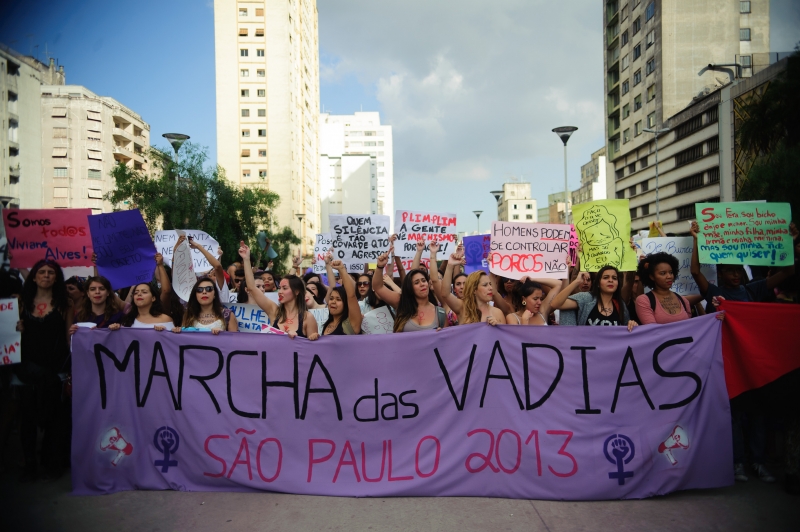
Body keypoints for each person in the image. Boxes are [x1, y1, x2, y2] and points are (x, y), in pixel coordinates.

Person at [15, 260, 72, 481]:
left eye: (51, 273)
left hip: (54, 367)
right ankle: (30, 463)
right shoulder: (21, 302)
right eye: (42, 272)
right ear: (34, 276)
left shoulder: (64, 304)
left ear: (56, 277)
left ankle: (51, 462)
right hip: (27, 367)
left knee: (54, 417)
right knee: (27, 417)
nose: (46, 276)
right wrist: (15, 327)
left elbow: (68, 337)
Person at [239, 242, 319, 339]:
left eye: (284, 288)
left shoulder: (308, 317)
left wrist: (307, 339)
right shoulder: (274, 311)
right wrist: (246, 259)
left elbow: (313, 350)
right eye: (279, 288)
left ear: (297, 292)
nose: (280, 292)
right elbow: (251, 287)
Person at [372, 247, 447, 332]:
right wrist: (379, 267)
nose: (422, 284)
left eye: (423, 280)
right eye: (416, 282)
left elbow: (446, 342)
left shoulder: (440, 313)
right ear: (410, 287)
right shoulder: (402, 302)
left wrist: (441, 335)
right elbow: (378, 287)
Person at [431, 243, 504, 326]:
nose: (490, 288)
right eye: (485, 285)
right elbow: (445, 294)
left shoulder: (498, 313)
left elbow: (504, 338)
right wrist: (450, 265)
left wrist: (498, 327)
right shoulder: (462, 307)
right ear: (474, 290)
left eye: (490, 284)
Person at [551, 266, 637, 331]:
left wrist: (632, 324)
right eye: (606, 277)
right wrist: (576, 281)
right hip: (587, 352)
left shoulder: (620, 305)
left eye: (614, 278)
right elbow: (555, 304)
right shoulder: (587, 298)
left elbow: (627, 331)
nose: (611, 280)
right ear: (598, 283)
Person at [635, 252, 702, 324]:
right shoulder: (644, 301)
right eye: (663, 273)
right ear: (651, 276)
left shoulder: (683, 301)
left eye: (671, 272)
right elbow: (652, 331)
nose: (669, 276)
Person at [321, 260, 363, 335]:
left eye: (338, 299)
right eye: (331, 298)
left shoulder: (351, 324)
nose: (333, 302)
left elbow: (351, 295)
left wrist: (342, 269)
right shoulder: (327, 324)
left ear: (346, 303)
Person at [109, 282, 175, 330]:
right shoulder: (127, 320)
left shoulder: (165, 319)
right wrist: (115, 330)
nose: (139, 294)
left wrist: (164, 333)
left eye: (144, 292)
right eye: (136, 293)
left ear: (153, 298)